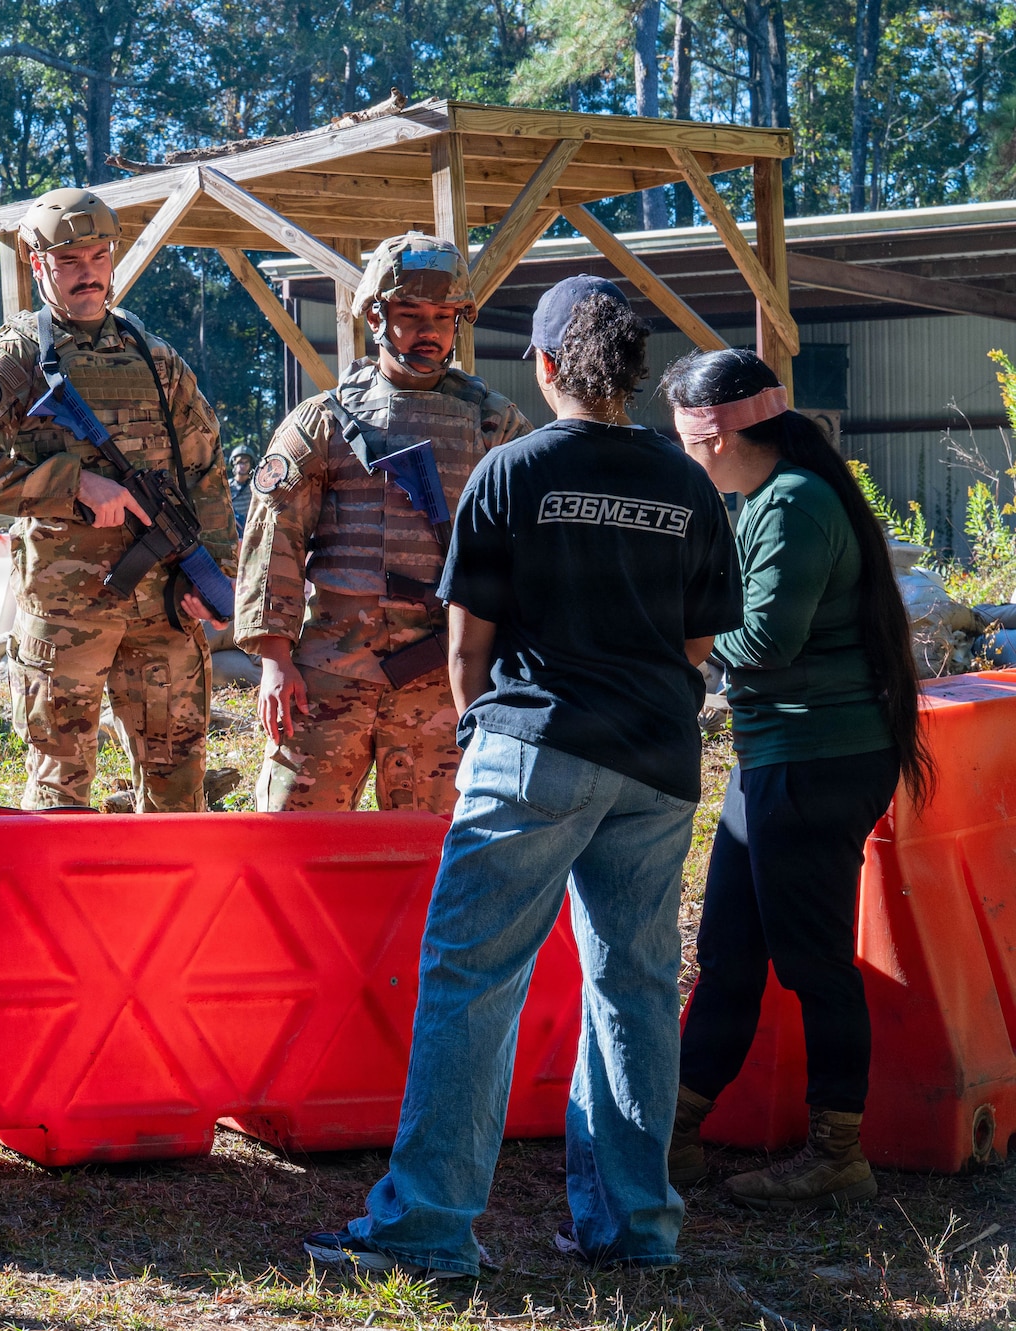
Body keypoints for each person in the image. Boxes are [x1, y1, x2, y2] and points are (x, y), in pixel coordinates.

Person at [302, 275, 740, 1277]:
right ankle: (633, 1226)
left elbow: (465, 652)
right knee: (631, 986)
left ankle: (425, 1225)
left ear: (543, 367)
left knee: (470, 981)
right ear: (632, 370)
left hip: (535, 748)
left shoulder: (510, 470)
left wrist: (479, 741)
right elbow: (695, 645)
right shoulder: (685, 483)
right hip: (658, 761)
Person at [664, 349, 930, 1210]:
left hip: (815, 759)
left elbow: (767, 643)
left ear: (709, 431)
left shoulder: (794, 506)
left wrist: (679, 638)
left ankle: (837, 1153)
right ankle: (671, 1133)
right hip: (777, 755)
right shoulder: (769, 499)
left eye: (678, 430)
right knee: (731, 949)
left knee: (813, 960)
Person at [0, 187, 236, 812]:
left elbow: (205, 476)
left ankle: (167, 906)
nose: (89, 274)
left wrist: (216, 574)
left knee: (177, 783)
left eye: (99, 256)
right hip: (65, 610)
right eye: (70, 261)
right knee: (60, 786)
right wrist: (73, 484)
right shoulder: (15, 362)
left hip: (164, 607)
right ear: (37, 265)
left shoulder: (156, 360)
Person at [237, 233, 530, 815]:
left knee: (433, 857)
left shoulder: (495, 425)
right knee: (294, 844)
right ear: (376, 315)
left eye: (445, 316)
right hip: (328, 676)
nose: (431, 330)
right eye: (411, 314)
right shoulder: (323, 422)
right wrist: (275, 658)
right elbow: (276, 541)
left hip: (445, 679)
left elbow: (529, 548)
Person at [228, 447, 256, 532]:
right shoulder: (227, 486)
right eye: (239, 462)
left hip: (252, 527)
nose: (243, 466)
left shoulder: (255, 486)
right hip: (233, 529)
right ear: (234, 464)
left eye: (246, 462)